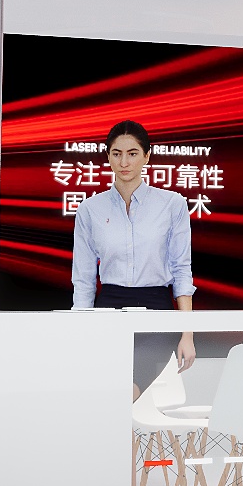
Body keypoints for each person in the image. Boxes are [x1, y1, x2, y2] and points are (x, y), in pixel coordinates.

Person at [71, 120, 195, 396]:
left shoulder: (172, 204)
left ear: (147, 156)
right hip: (109, 310)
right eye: (117, 154)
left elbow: (182, 271)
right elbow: (83, 279)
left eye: (132, 153)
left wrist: (187, 333)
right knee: (108, 391)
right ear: (108, 156)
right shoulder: (90, 209)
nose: (124, 162)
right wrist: (81, 330)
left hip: (157, 310)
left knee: (128, 391)